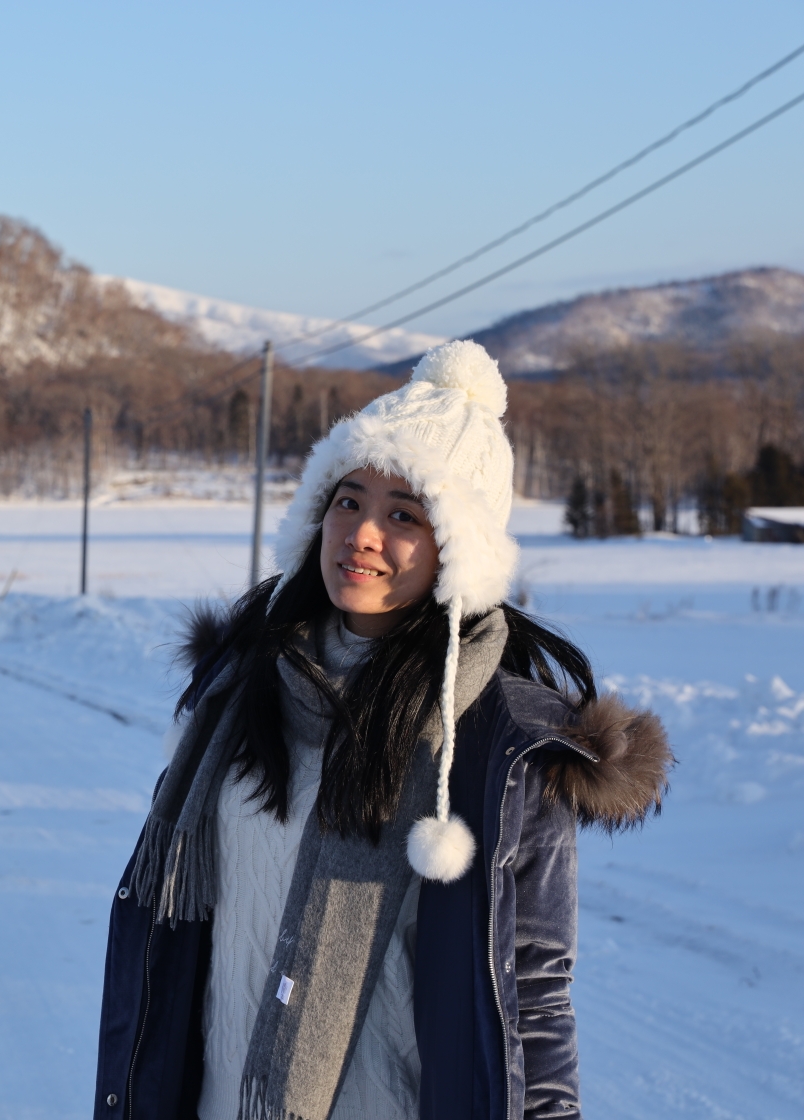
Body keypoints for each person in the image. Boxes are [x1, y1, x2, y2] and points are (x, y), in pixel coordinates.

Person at [92, 341, 673, 1120]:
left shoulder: (499, 745)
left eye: (405, 514)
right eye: (347, 500)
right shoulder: (240, 690)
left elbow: (529, 993)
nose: (363, 534)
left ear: (455, 553)